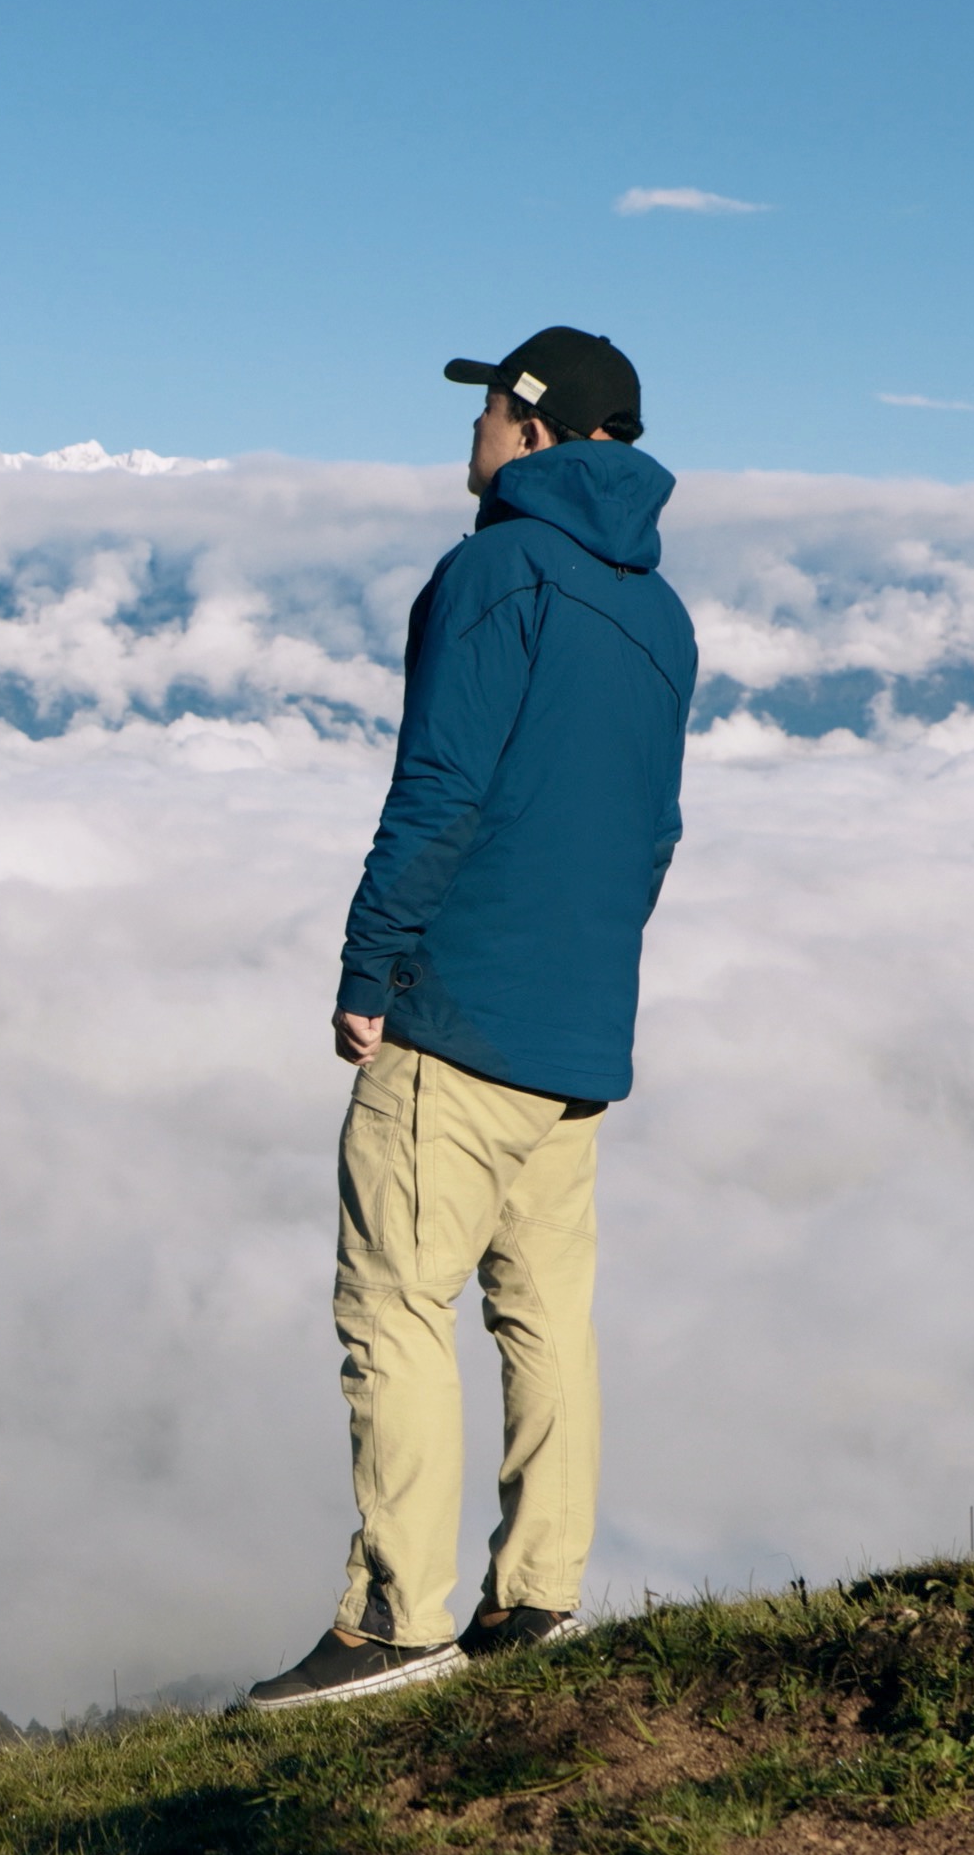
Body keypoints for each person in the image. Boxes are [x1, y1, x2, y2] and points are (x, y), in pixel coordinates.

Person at [245, 327, 698, 1712]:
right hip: (578, 1033)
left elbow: (439, 783)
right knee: (546, 1315)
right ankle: (540, 1596)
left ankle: (396, 1624)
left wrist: (370, 967)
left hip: (461, 1019)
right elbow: (651, 831)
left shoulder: (496, 571)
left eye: (492, 408)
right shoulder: (661, 613)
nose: (476, 431)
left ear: (540, 428)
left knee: (393, 1307)